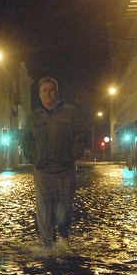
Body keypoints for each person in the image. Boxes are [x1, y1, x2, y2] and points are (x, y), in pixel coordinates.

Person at [24, 76, 85, 248]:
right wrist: (34, 158)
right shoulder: (33, 117)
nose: (48, 94)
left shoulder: (70, 113)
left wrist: (72, 155)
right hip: (43, 169)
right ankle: (46, 242)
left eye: (51, 90)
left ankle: (64, 238)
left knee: (65, 205)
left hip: (65, 169)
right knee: (44, 207)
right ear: (39, 94)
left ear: (56, 93)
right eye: (44, 91)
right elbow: (26, 140)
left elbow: (81, 135)